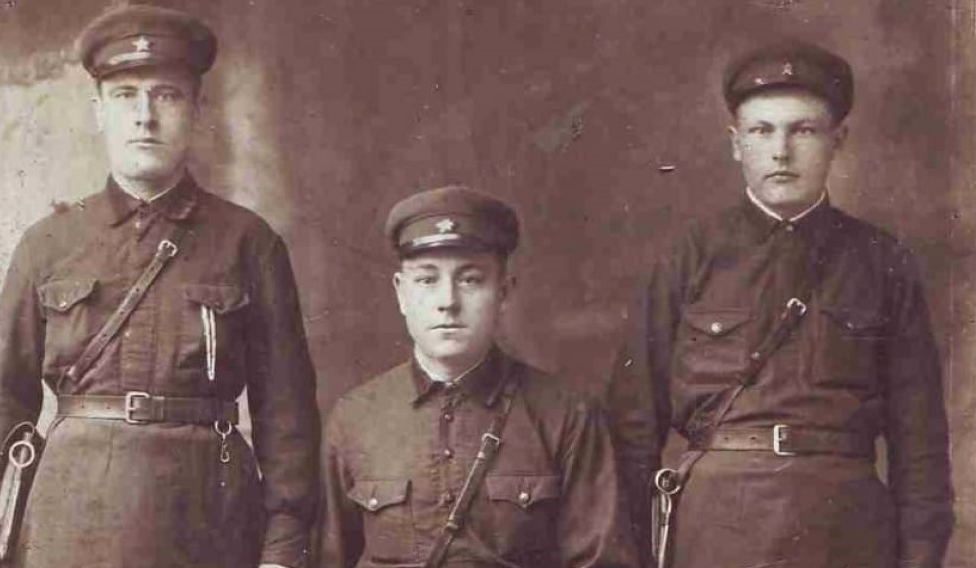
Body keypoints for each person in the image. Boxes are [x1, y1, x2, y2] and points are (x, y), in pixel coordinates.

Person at [0, 6, 319, 568]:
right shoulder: (48, 244)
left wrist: (281, 549)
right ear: (99, 111)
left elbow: (287, 414)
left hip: (208, 520)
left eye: (166, 96)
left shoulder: (249, 244)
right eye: (126, 96)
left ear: (197, 109)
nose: (145, 117)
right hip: (69, 522)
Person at [606, 40, 953, 568]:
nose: (781, 151)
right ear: (736, 143)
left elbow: (920, 440)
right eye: (762, 131)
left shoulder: (884, 262)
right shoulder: (688, 257)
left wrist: (921, 559)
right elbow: (632, 426)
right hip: (717, 528)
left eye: (803, 130)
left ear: (838, 140)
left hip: (847, 529)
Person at [317, 185, 638, 568]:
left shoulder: (567, 416)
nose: (448, 302)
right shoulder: (354, 419)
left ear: (504, 292)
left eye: (470, 280)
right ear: (401, 294)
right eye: (427, 280)